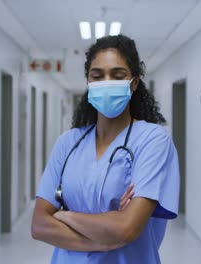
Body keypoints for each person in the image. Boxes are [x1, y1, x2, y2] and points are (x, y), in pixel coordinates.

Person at [31, 34, 180, 263]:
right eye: (97, 76)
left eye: (117, 75)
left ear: (134, 83)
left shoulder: (153, 140)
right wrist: (106, 233)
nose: (106, 82)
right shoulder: (68, 143)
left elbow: (126, 230)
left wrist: (64, 215)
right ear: (88, 83)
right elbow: (39, 224)